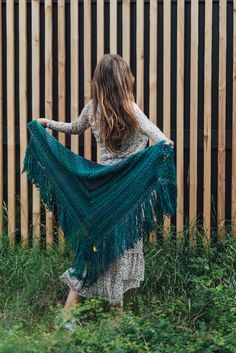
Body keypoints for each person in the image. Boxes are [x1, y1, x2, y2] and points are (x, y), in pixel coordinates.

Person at [37, 53, 174, 330]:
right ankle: (87, 319)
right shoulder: (132, 110)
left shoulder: (93, 109)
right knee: (118, 250)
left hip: (99, 194)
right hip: (125, 198)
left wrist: (48, 123)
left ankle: (97, 319)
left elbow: (73, 129)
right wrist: (162, 147)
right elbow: (161, 139)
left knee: (95, 251)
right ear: (124, 81)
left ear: (99, 81)